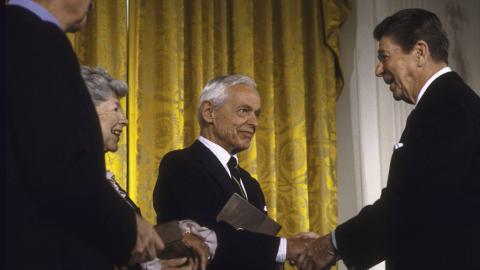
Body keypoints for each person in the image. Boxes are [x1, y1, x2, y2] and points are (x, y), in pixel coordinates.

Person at [296, 8, 480, 270]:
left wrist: (331, 245)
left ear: (419, 52)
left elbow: (408, 205)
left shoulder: (447, 108)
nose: (378, 69)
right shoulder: (449, 102)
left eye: (384, 57)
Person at [6, 1, 164, 269]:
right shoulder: (37, 39)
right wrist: (129, 231)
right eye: (115, 108)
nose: (93, 4)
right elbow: (59, 165)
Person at [153, 75, 309, 270]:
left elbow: (258, 246)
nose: (254, 122)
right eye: (244, 111)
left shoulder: (250, 183)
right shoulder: (182, 164)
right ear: (209, 112)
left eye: (256, 114)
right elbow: (206, 236)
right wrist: (288, 247)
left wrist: (291, 249)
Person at [80, 66, 216, 270]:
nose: (124, 120)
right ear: (86, 111)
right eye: (116, 108)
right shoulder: (72, 180)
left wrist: (177, 235)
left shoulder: (101, 181)